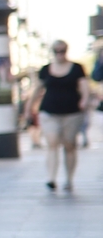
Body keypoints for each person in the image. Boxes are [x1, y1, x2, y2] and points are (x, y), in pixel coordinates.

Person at [33, 39, 92, 193]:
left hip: (72, 112)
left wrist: (85, 100)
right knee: (52, 143)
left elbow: (85, 87)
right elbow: (37, 89)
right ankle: (51, 178)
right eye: (56, 51)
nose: (60, 54)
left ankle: (69, 179)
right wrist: (28, 108)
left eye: (62, 50)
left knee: (69, 144)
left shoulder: (77, 68)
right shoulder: (45, 70)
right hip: (49, 111)